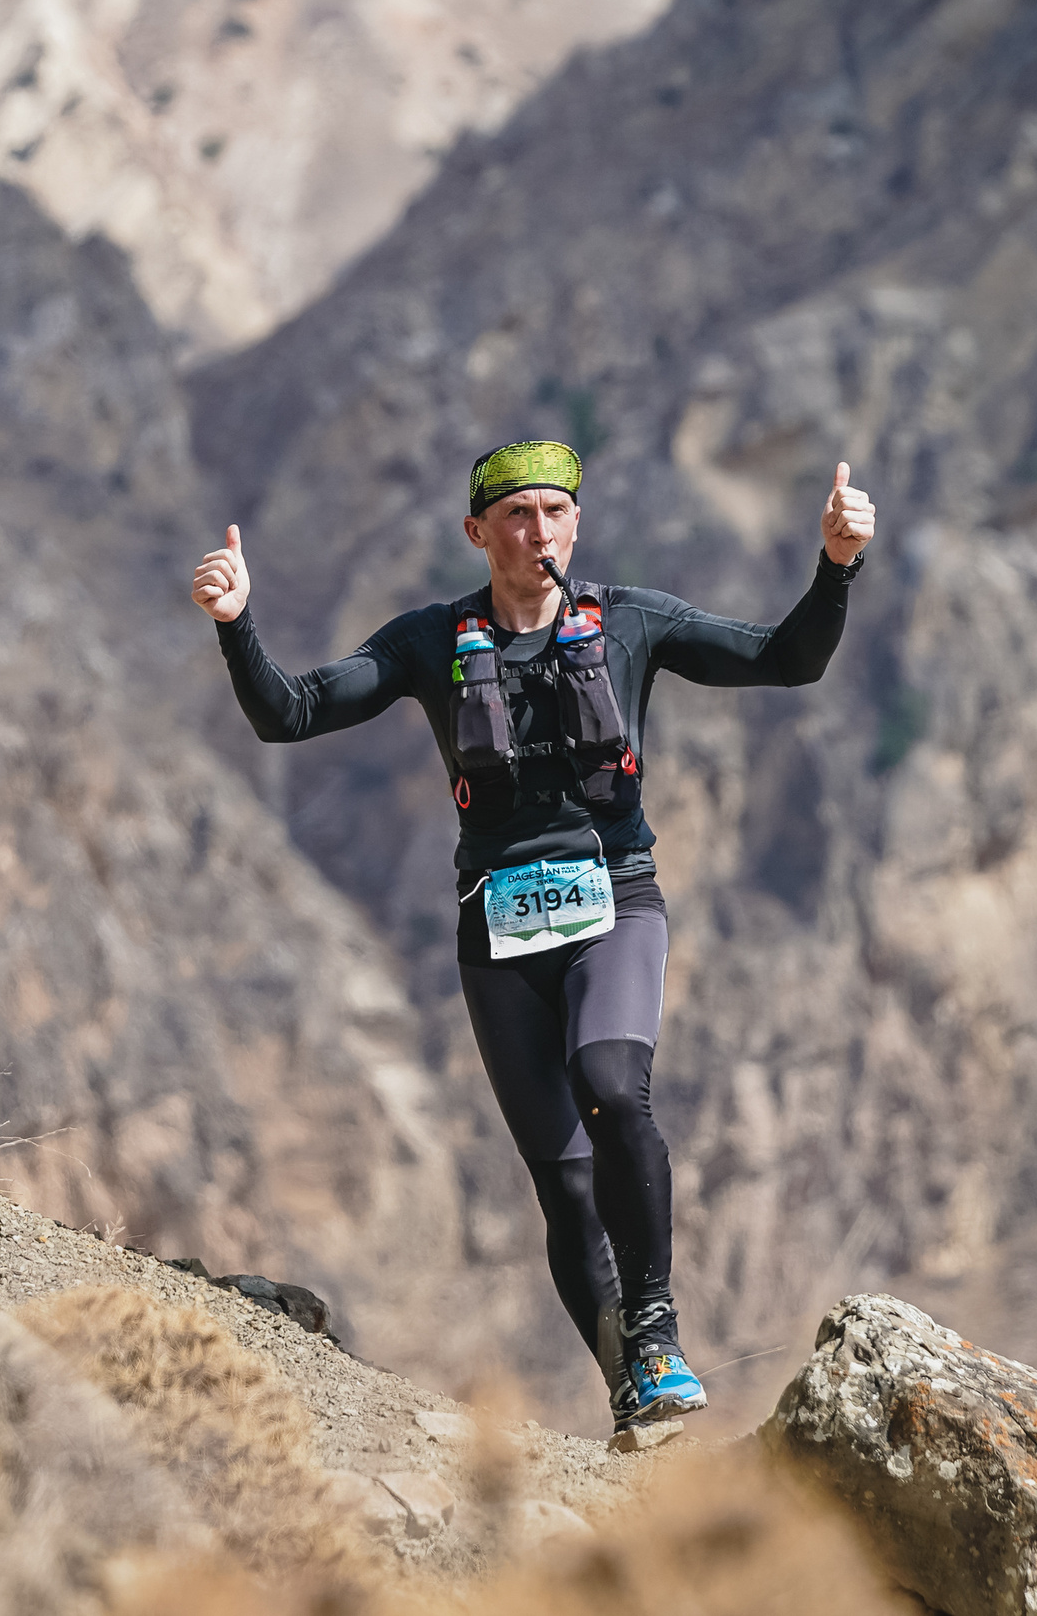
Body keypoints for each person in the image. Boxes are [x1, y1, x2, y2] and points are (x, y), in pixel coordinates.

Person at [190, 440, 874, 1439]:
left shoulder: (630, 620)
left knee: (608, 1081)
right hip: (497, 928)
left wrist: (835, 566)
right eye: (514, 514)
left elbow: (785, 659)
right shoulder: (433, 640)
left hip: (616, 901)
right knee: (560, 1179)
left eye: (554, 510)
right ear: (476, 532)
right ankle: (629, 1388)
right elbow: (289, 714)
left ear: (577, 522)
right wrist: (234, 623)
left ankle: (655, 1330)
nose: (536, 530)